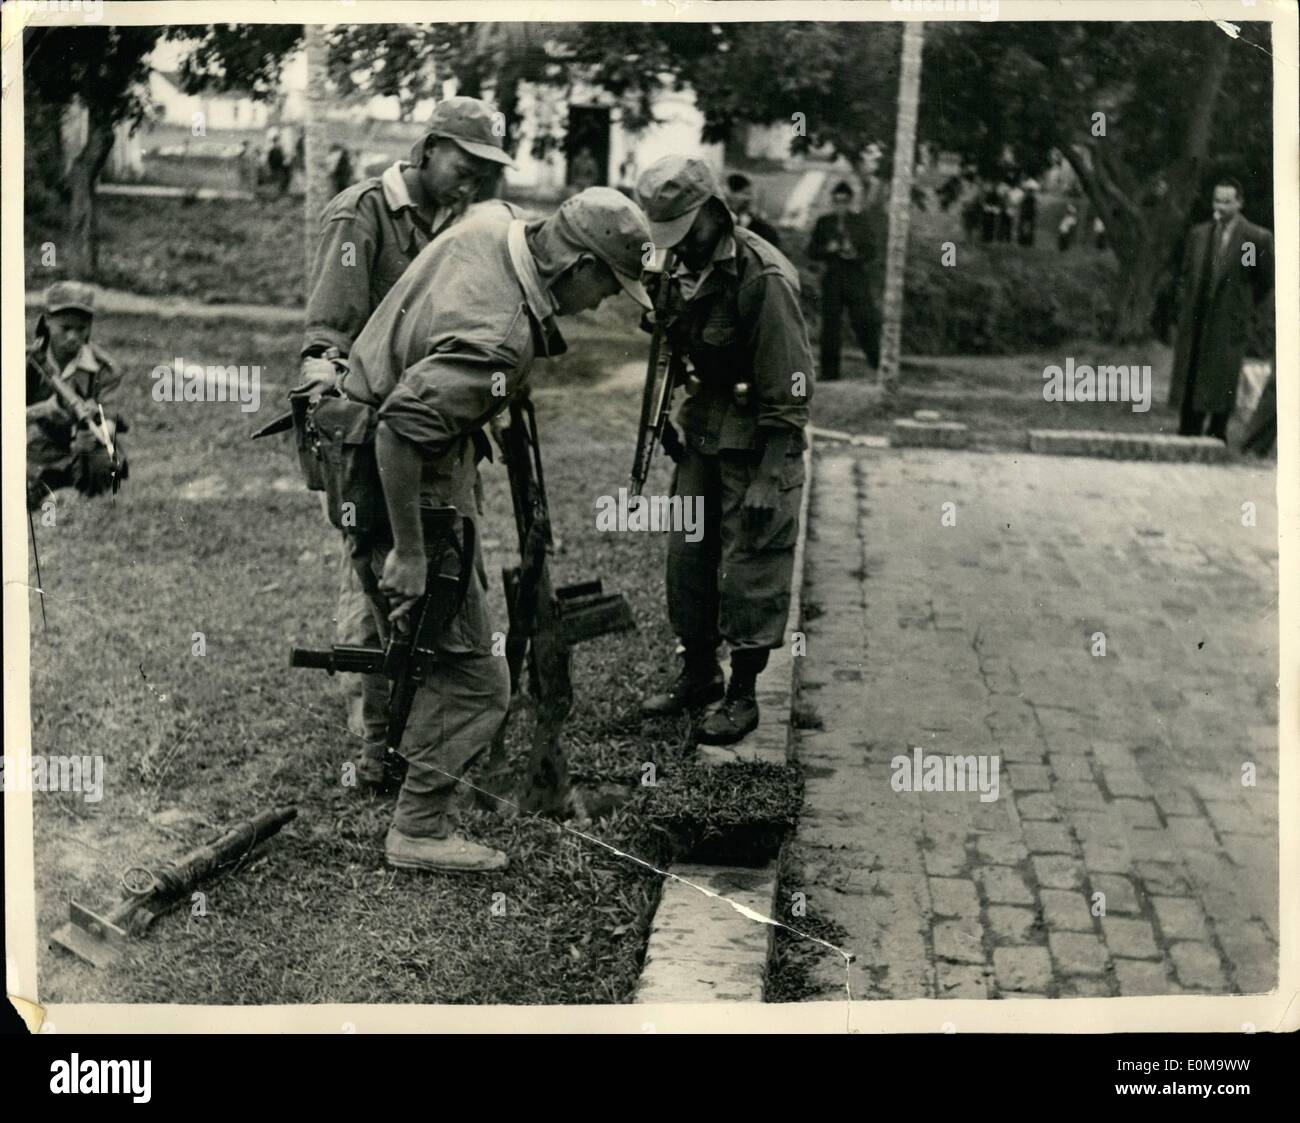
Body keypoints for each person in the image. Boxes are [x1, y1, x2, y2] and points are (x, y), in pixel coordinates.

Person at [335, 188, 652, 871]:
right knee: (478, 676)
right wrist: (414, 552)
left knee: (423, 635)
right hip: (397, 468)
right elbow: (398, 428)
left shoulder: (495, 223)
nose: (601, 305)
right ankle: (418, 827)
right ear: (576, 267)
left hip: (394, 450)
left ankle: (384, 759)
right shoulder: (499, 341)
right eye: (605, 288)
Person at [300, 96, 514, 791]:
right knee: (376, 587)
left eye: (487, 170)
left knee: (446, 581)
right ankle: (374, 747)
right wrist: (346, 440)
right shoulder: (362, 215)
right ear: (427, 148)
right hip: (375, 442)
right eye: (465, 161)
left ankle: (426, 736)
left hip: (440, 438)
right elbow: (326, 341)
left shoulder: (463, 222)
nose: (473, 179)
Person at [636, 156, 812, 746]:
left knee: (752, 563)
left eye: (685, 232)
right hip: (703, 431)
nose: (676, 247)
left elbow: (790, 389)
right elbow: (673, 350)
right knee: (688, 557)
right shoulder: (675, 269)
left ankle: (743, 693)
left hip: (759, 440)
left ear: (715, 212)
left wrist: (770, 477)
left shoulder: (764, 278)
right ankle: (698, 672)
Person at [1169, 176, 1274, 441]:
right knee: (1191, 374)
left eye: (1227, 201)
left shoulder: (1252, 239)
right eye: (1217, 200)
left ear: (1239, 203)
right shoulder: (1200, 234)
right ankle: (1187, 431)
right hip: (1198, 316)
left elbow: (1260, 279)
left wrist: (1245, 311)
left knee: (1221, 378)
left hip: (1229, 318)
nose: (1221, 206)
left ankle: (1216, 432)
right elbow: (1185, 275)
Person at [27, 281, 128, 510]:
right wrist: (45, 409)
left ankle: (57, 489)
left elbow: (110, 422)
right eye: (65, 328)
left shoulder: (105, 369)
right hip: (31, 445)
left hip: (78, 448)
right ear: (47, 320)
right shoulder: (26, 362)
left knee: (106, 465)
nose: (73, 337)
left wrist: (95, 425)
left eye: (81, 329)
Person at [807, 180, 881, 380]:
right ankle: (830, 373)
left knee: (865, 321)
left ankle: (878, 364)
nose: (840, 205)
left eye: (844, 201)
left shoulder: (860, 222)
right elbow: (812, 251)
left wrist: (854, 253)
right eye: (837, 201)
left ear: (850, 202)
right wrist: (827, 250)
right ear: (832, 201)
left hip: (855, 277)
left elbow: (871, 251)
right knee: (830, 326)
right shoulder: (824, 222)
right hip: (833, 277)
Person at [724, 173, 782, 250]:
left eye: (749, 194)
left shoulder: (758, 226)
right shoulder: (719, 218)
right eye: (745, 193)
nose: (749, 198)